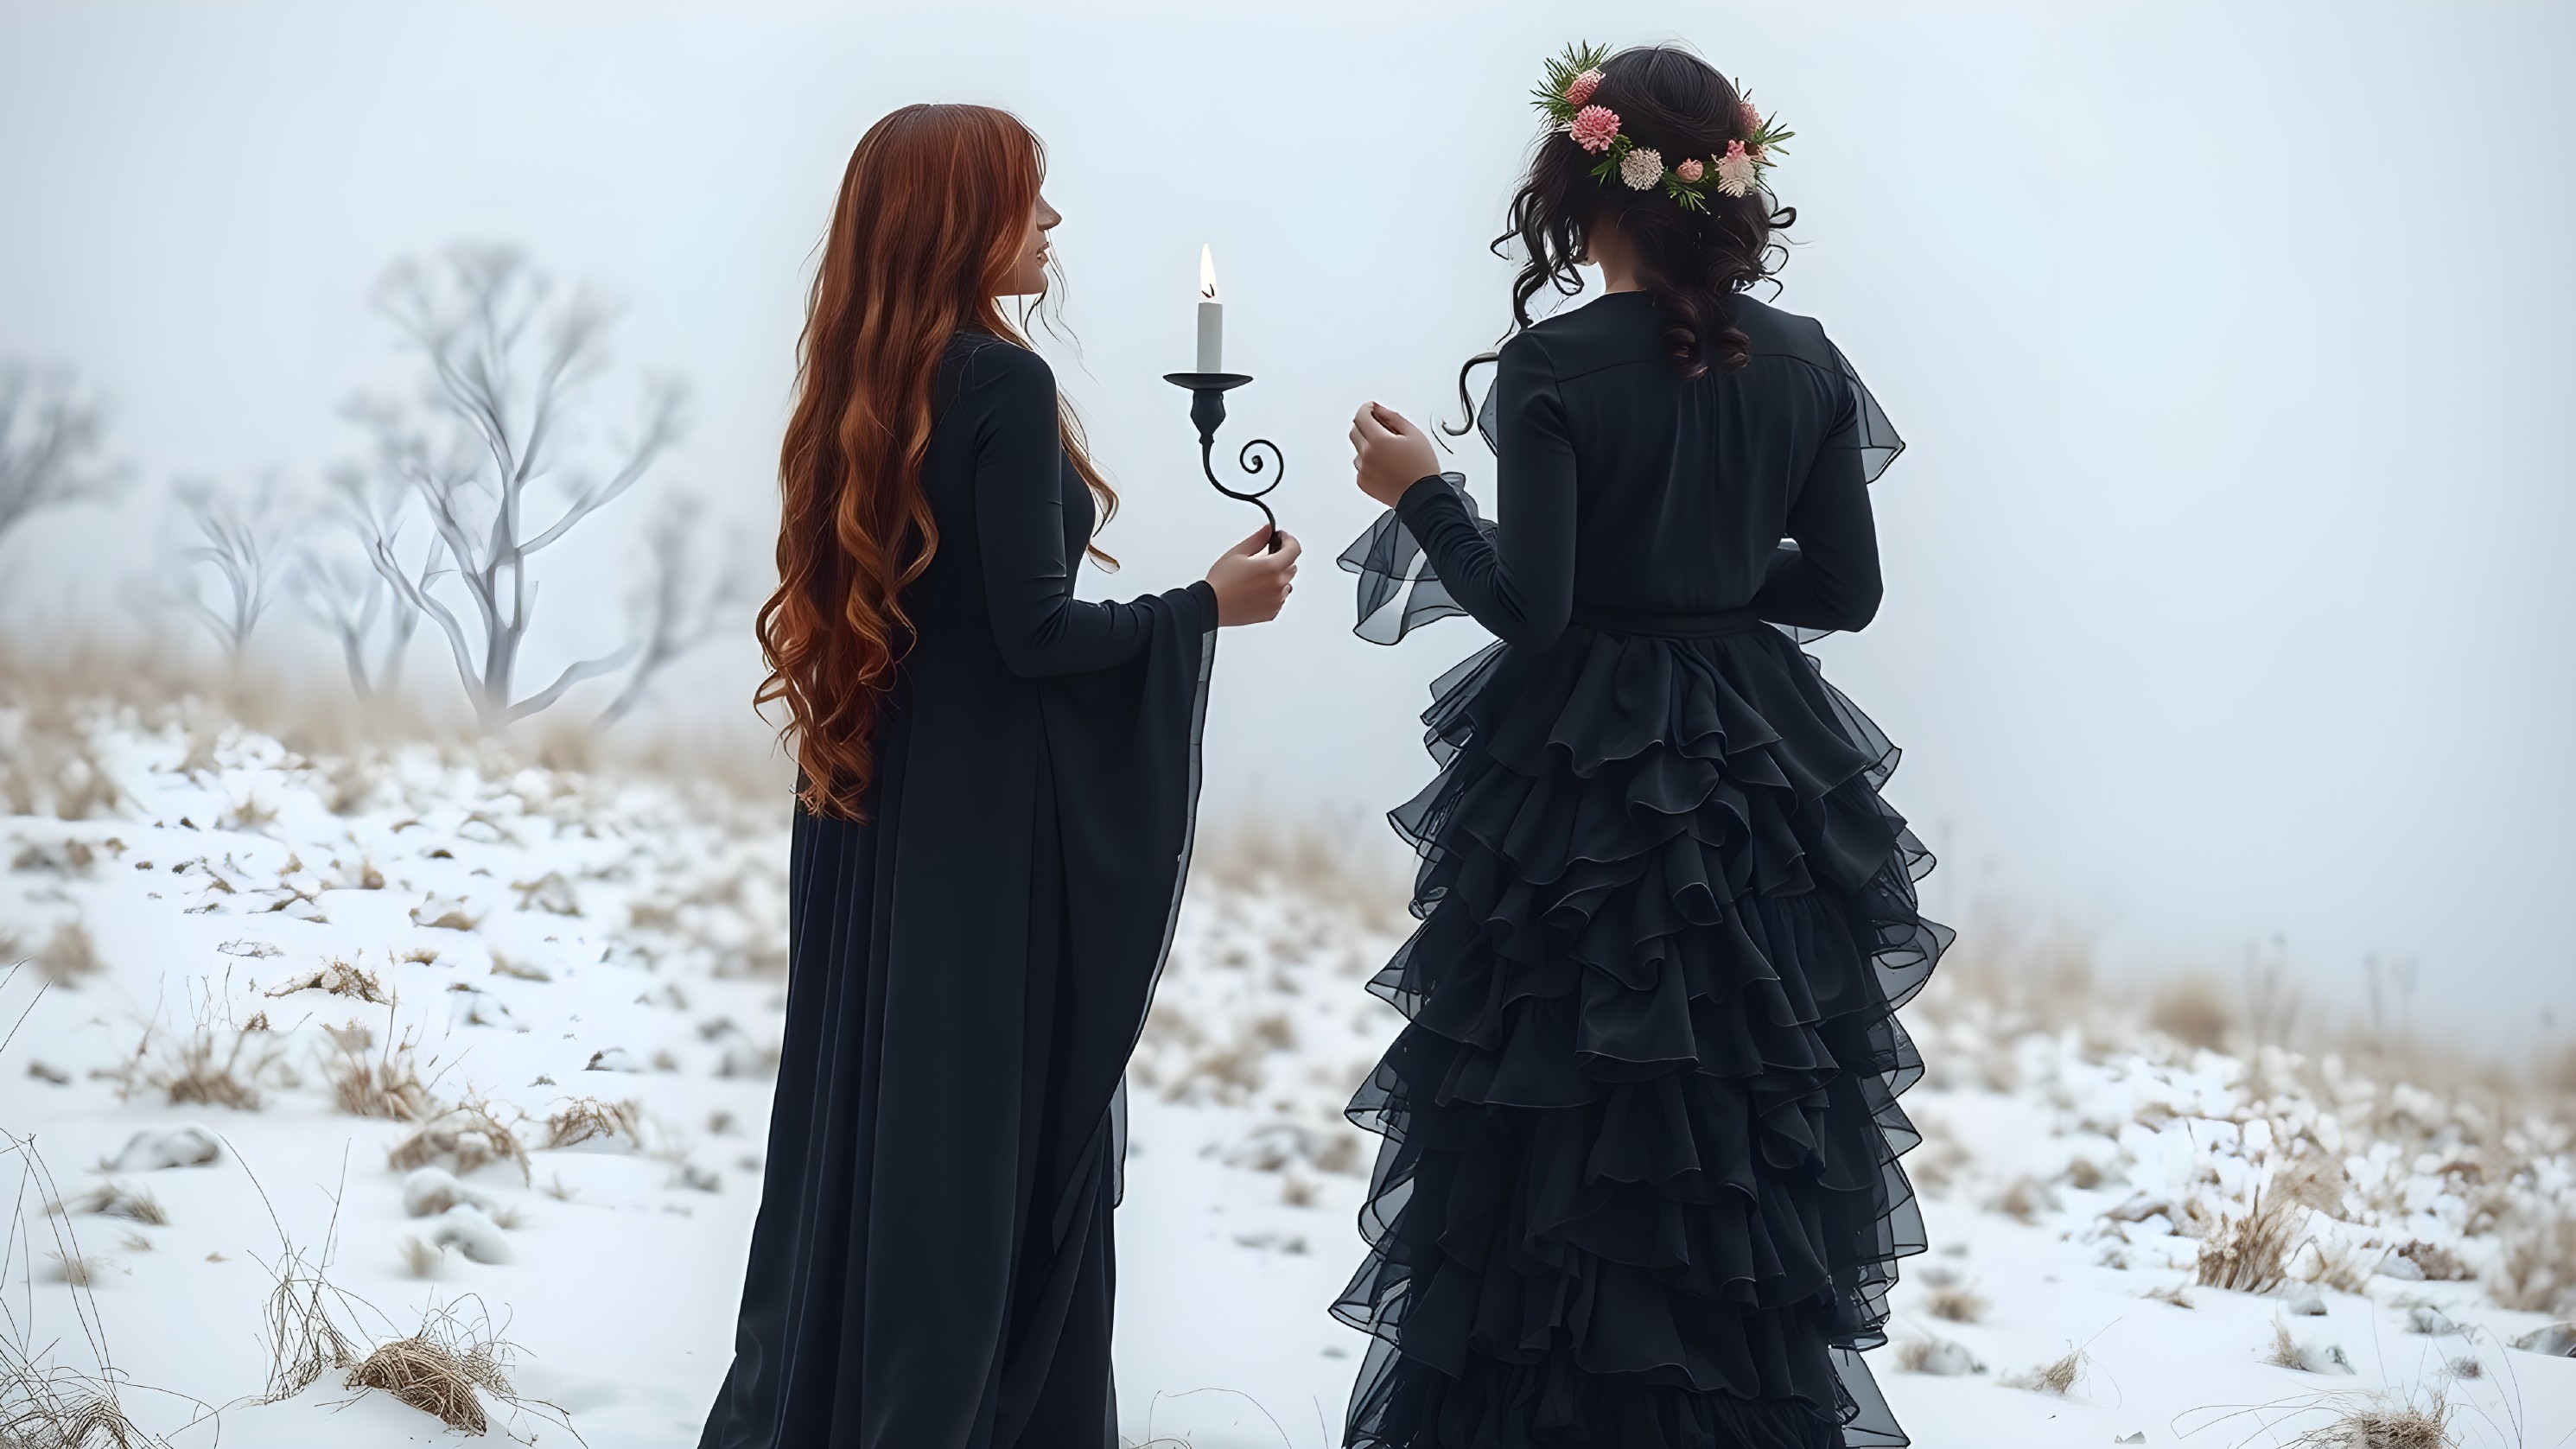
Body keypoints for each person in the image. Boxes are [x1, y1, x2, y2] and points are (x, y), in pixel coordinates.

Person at [1333, 44, 1947, 1449]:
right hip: (1760, 786)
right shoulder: (1806, 361)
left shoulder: (1553, 363)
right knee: (1737, 1150)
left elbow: (1531, 618)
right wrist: (1712, 587)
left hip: (1584, 801)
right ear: (1728, 181)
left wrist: (1420, 489)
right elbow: (1843, 594)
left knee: (1552, 1146)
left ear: (1578, 178)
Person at [699, 103, 1301, 1449]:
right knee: (975, 1150)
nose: (1053, 224)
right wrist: (1207, 605)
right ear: (959, 218)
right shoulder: (1003, 386)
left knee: (871, 1126)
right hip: (977, 844)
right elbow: (1033, 637)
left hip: (872, 811)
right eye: (1031, 199)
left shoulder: (864, 380)